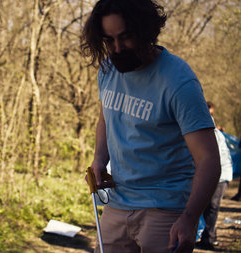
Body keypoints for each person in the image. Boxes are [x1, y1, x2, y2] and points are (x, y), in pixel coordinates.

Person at [80, 0, 221, 252]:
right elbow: (106, 116)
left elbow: (209, 159)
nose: (117, 48)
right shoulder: (107, 69)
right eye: (109, 40)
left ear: (146, 31)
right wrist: (100, 158)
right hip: (116, 203)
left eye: (125, 37)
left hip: (166, 210)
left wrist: (189, 219)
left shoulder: (179, 81)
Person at [196, 102, 233, 250]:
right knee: (207, 207)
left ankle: (209, 239)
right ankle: (208, 236)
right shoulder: (209, 132)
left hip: (221, 174)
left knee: (212, 207)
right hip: (216, 173)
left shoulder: (211, 134)